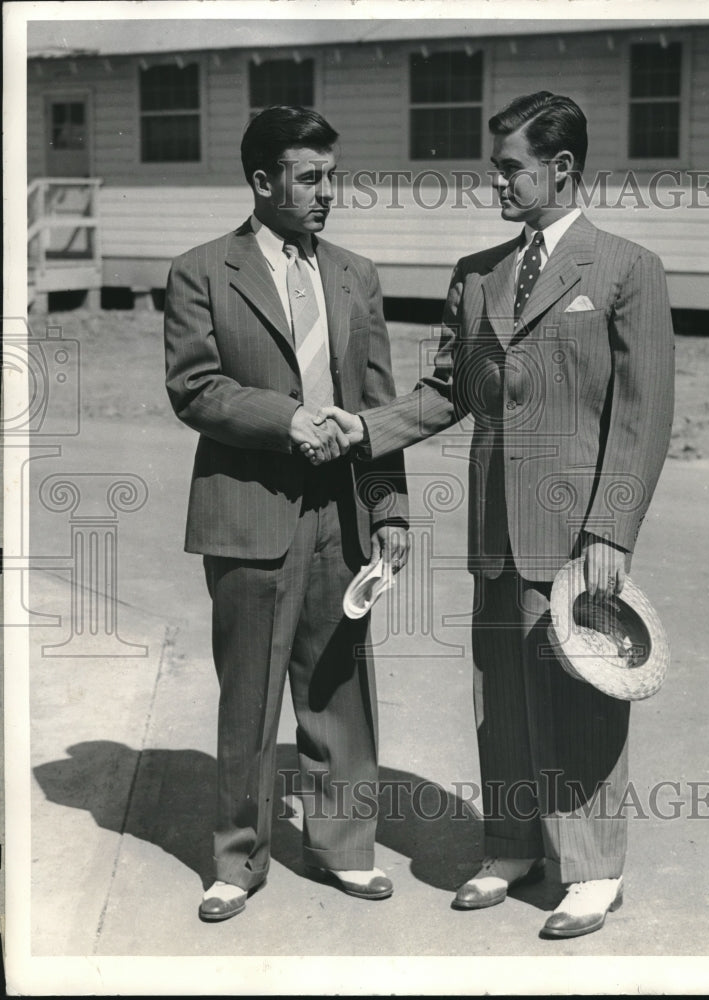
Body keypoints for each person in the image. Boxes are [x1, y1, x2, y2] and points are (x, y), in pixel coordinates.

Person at [319, 92, 675, 938]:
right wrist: (363, 429)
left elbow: (642, 415)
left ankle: (591, 870)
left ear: (560, 168)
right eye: (496, 168)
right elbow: (448, 392)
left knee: (581, 694)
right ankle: (511, 847)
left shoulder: (626, 268)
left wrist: (608, 532)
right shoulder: (477, 274)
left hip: (578, 532)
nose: (498, 184)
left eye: (512, 168)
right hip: (492, 529)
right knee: (500, 696)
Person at [164, 105, 409, 922]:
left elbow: (378, 404)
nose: (325, 193)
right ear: (263, 181)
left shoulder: (354, 273)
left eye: (330, 177)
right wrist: (285, 419)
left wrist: (390, 510)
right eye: (308, 178)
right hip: (248, 510)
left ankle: (343, 848)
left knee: (338, 683)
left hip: (341, 511)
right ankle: (238, 859)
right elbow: (194, 388)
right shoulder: (203, 270)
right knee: (250, 694)